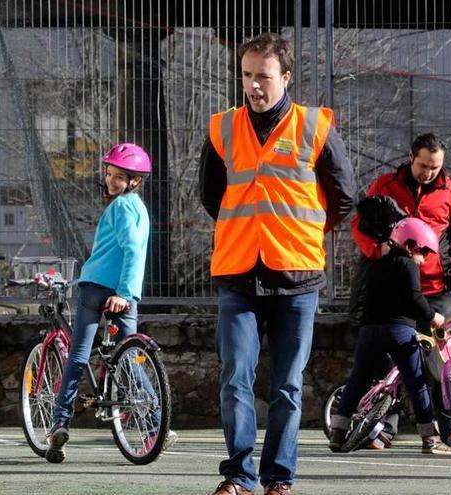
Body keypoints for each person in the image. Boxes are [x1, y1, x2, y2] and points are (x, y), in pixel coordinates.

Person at [198, 33, 355, 495]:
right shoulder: (223, 128)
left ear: (285, 77)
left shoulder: (314, 127)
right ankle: (239, 476)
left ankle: (279, 479)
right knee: (234, 381)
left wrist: (300, 234)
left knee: (287, 387)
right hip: (238, 273)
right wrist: (246, 229)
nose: (253, 86)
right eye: (246, 76)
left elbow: (344, 198)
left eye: (263, 76)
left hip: (298, 277)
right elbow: (211, 195)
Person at [44, 142, 170, 463]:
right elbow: (132, 252)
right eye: (109, 174)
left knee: (79, 353)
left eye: (119, 176)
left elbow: (132, 250)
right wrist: (129, 294)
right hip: (124, 292)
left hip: (99, 288)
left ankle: (61, 420)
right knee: (129, 354)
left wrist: (123, 293)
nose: (111, 180)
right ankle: (157, 420)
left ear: (135, 181)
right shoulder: (139, 208)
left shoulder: (121, 207)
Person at [350, 132, 451, 449]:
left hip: (438, 288)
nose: (429, 173)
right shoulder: (385, 185)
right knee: (392, 359)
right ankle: (382, 429)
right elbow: (360, 223)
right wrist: (374, 251)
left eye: (435, 167)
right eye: (423, 166)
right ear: (411, 157)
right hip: (396, 288)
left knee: (442, 362)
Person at [328, 218, 451, 455]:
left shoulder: (375, 265)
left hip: (369, 331)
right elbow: (415, 299)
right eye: (423, 251)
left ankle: (337, 433)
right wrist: (433, 316)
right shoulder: (407, 265)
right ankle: (430, 439)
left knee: (358, 380)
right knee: (417, 384)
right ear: (410, 245)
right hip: (398, 331)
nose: (424, 258)